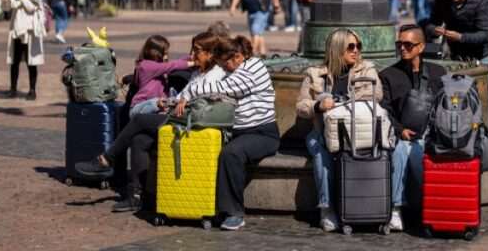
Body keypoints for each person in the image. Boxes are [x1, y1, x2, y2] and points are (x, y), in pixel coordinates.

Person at [76, 32, 223, 213]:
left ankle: (106, 159)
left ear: (210, 54)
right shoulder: (198, 72)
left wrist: (184, 100)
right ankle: (136, 197)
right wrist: (178, 99)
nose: (192, 54)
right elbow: (184, 90)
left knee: (139, 120)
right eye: (192, 49)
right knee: (139, 139)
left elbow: (204, 97)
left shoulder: (215, 74)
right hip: (178, 116)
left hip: (191, 122)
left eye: (197, 50)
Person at [172, 35, 278, 230]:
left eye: (224, 65)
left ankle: (234, 213)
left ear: (237, 57)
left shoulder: (253, 69)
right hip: (235, 132)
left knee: (231, 154)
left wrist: (188, 94)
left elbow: (220, 87)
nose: (223, 69)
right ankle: (198, 204)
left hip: (261, 133)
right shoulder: (236, 68)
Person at [296, 29, 381, 232]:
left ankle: (363, 207)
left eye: (358, 46)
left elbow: (375, 94)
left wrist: (340, 103)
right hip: (322, 131)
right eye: (350, 46)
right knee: (320, 151)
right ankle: (326, 209)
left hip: (355, 130)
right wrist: (318, 106)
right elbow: (300, 106)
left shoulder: (366, 69)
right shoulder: (315, 73)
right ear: (337, 48)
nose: (356, 51)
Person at [379, 25, 448, 232]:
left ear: (421, 47)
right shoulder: (388, 75)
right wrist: (401, 130)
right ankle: (396, 208)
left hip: (432, 134)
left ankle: (433, 208)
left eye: (408, 44)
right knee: (403, 151)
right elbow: (385, 109)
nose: (402, 48)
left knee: (420, 154)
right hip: (403, 135)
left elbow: (446, 105)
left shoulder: (438, 72)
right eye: (399, 44)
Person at [425, 0, 488, 64]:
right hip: (455, 54)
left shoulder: (480, 1)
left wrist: (461, 37)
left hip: (480, 55)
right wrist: (434, 30)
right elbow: (430, 24)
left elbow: (486, 34)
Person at [2, 0, 46, 100]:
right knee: (14, 63)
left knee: (31, 63)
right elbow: (6, 8)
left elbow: (30, 7)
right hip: (16, 32)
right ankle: (13, 89)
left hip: (29, 34)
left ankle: (32, 90)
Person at [127, 35, 191, 119]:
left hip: (155, 109)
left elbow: (177, 62)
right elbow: (173, 65)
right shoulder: (145, 66)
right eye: (165, 53)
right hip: (138, 109)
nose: (167, 57)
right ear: (155, 53)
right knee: (156, 102)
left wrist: (191, 57)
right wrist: (194, 63)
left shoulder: (159, 69)